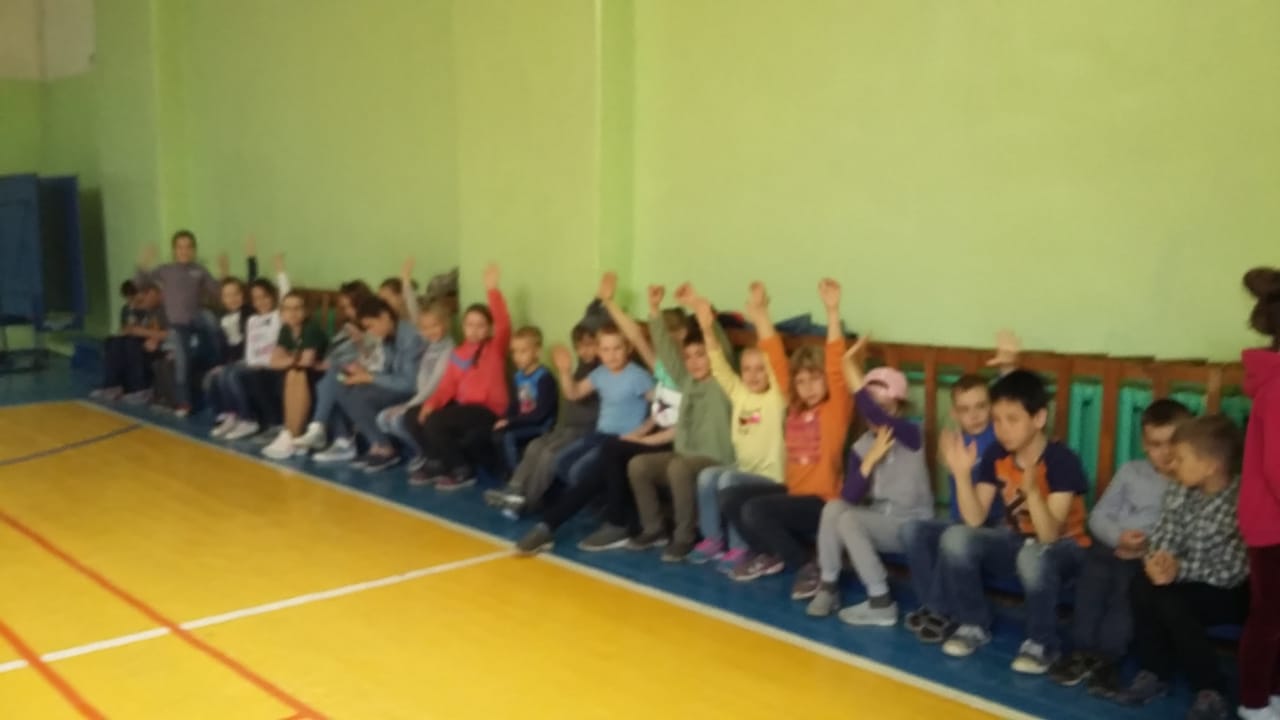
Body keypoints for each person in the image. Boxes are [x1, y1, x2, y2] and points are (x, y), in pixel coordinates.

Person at [933, 369, 1091, 674]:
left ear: (1039, 418)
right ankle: (973, 623)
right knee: (955, 537)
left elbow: (1049, 535)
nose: (1003, 429)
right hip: (1019, 541)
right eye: (997, 420)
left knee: (1032, 554)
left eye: (1012, 419)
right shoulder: (997, 453)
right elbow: (975, 518)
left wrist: (1032, 493)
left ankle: (1042, 643)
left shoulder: (1061, 460)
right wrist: (962, 475)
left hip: (1066, 549)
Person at [1102, 415, 1248, 720]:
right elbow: (1164, 533)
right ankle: (1154, 672)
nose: (1172, 464)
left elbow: (1231, 571)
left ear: (1210, 466)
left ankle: (1210, 689)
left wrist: (1178, 569)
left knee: (1172, 600)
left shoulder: (1238, 500)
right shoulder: (1180, 489)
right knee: (1143, 584)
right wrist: (1158, 560)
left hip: (1229, 590)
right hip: (1185, 578)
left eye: (1181, 458)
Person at [1048, 399, 1191, 690]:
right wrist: (1118, 538)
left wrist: (1144, 548)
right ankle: (1082, 650)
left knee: (1126, 592)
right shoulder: (1130, 471)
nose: (1165, 452)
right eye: (1156, 444)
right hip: (1110, 546)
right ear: (1144, 445)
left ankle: (1107, 657)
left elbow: (1182, 531)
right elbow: (1098, 515)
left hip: (1147, 557)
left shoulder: (1188, 482)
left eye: (1173, 443)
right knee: (1092, 581)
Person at [721, 278, 852, 587]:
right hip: (793, 495)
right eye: (801, 381)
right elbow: (776, 359)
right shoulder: (794, 406)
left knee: (756, 510)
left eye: (815, 379)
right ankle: (771, 553)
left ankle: (807, 565)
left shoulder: (835, 410)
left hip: (822, 503)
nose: (808, 387)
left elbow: (835, 364)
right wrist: (760, 314)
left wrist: (832, 312)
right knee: (730, 497)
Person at [804, 340, 932, 625]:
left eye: (885, 408)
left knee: (849, 520)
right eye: (871, 410)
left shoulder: (911, 434)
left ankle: (880, 601)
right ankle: (828, 585)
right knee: (835, 509)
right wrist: (868, 462)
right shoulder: (862, 445)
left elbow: (877, 415)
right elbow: (850, 496)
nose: (875, 418)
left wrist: (847, 365)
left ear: (899, 407)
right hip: (880, 521)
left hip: (912, 524)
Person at [513, 321, 653, 555]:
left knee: (582, 471)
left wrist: (642, 430)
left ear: (628, 348)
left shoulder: (638, 376)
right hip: (599, 435)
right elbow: (574, 393)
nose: (611, 355)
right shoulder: (600, 374)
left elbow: (661, 406)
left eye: (617, 348)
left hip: (623, 440)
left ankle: (561, 521)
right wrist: (565, 371)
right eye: (606, 349)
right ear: (599, 351)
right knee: (561, 462)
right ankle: (594, 504)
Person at [619, 283, 735, 561]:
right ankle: (654, 528)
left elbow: (720, 347)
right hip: (684, 457)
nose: (694, 362)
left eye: (700, 355)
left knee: (678, 467)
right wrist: (654, 309)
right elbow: (667, 353)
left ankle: (685, 536)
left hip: (715, 458)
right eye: (689, 357)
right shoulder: (687, 381)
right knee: (638, 465)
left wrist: (698, 308)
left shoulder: (724, 382)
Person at [688, 281, 789, 565]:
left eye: (760, 370)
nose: (753, 375)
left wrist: (760, 316)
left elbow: (776, 359)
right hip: (744, 470)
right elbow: (718, 365)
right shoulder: (740, 393)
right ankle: (713, 539)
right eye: (747, 369)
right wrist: (707, 328)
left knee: (729, 480)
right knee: (708, 476)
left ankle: (740, 546)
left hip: (771, 478)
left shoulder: (777, 398)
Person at [405, 263, 511, 488]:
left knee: (436, 422)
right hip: (463, 408)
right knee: (413, 415)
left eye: (480, 325)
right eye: (470, 325)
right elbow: (447, 386)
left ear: (488, 329)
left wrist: (492, 291)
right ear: (463, 326)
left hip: (486, 410)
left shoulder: (494, 349)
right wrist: (431, 404)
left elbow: (503, 325)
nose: (474, 330)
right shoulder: (459, 353)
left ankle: (462, 469)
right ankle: (437, 462)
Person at [483, 322, 600, 515]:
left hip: (584, 430)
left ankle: (528, 500)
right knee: (535, 446)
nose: (584, 351)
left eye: (590, 345)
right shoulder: (582, 368)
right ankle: (514, 489)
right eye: (580, 347)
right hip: (566, 427)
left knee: (549, 454)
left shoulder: (600, 373)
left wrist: (564, 372)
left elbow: (575, 399)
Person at [1237, 267, 1280, 720]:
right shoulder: (1278, 388)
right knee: (1269, 617)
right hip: (1272, 524)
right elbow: (1276, 468)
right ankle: (1254, 703)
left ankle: (1274, 697)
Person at [330, 296, 426, 472]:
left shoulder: (410, 338)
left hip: (414, 391)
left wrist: (370, 378)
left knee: (359, 395)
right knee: (342, 386)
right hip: (395, 384)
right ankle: (376, 443)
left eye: (371, 326)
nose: (371, 332)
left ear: (385, 316)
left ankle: (384, 448)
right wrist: (363, 372)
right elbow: (387, 370)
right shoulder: (388, 336)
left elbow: (409, 383)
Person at [134, 230, 221, 417]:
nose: (184, 251)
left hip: (195, 319)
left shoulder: (199, 270)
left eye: (188, 247)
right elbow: (141, 283)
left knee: (209, 317)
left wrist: (223, 274)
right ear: (174, 250)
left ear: (194, 250)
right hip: (178, 325)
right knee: (182, 361)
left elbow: (216, 292)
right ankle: (184, 402)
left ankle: (217, 361)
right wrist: (143, 264)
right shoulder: (165, 270)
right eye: (180, 247)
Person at [210, 255, 289, 440]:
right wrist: (249, 362)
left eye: (265, 297)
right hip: (252, 362)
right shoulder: (253, 319)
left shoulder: (278, 316)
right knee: (225, 373)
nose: (261, 302)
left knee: (233, 374)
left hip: (270, 364)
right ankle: (235, 416)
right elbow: (250, 347)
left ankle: (248, 420)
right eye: (256, 299)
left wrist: (280, 272)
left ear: (273, 297)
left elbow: (286, 295)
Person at [373, 300, 455, 470]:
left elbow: (434, 385)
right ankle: (420, 450)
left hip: (437, 401)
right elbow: (415, 312)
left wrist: (408, 406)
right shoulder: (429, 345)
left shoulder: (449, 349)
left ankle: (430, 453)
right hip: (420, 398)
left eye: (435, 326)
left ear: (445, 324)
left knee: (397, 420)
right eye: (425, 328)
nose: (430, 331)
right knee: (382, 418)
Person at [261, 291, 330, 459]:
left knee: (295, 373)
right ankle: (290, 434)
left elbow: (307, 362)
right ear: (282, 312)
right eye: (287, 309)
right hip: (299, 372)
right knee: (293, 373)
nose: (292, 313)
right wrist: (294, 359)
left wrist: (290, 358)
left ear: (305, 311)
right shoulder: (286, 329)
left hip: (320, 375)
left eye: (297, 308)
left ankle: (292, 434)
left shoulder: (311, 329)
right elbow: (273, 361)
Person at [493, 326, 559, 476]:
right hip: (524, 421)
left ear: (537, 352)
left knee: (508, 436)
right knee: (497, 432)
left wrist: (511, 422)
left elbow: (540, 414)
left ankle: (518, 476)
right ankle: (505, 473)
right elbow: (515, 404)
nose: (517, 357)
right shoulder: (518, 376)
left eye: (523, 351)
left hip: (541, 425)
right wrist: (504, 419)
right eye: (514, 352)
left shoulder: (544, 378)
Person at [92, 282, 167, 402]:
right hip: (137, 339)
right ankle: (112, 385)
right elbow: (127, 328)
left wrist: (150, 336)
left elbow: (161, 331)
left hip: (150, 343)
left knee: (131, 344)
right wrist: (131, 317)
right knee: (113, 342)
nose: (132, 301)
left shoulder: (158, 310)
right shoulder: (129, 309)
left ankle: (140, 389)